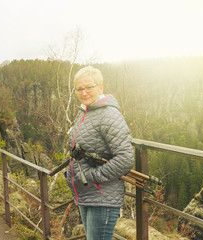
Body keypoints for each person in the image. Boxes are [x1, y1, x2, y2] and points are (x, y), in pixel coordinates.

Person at [65, 66, 134, 240]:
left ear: (100, 87)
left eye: (89, 87)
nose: (84, 92)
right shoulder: (86, 111)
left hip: (101, 196)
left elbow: (125, 159)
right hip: (86, 193)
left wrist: (92, 176)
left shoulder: (108, 115)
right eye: (80, 89)